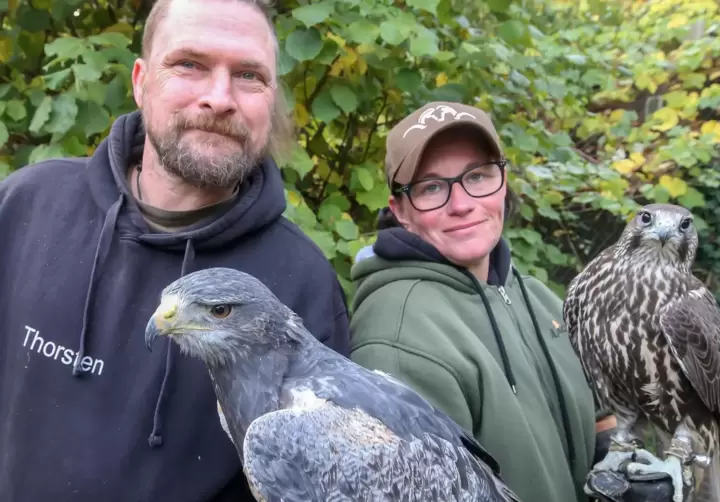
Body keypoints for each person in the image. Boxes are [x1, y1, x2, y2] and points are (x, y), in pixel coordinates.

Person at [0, 0, 349, 500]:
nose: (220, 97)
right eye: (190, 64)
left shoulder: (304, 286)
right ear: (140, 81)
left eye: (249, 75)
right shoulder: (25, 206)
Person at [348, 101, 680, 502]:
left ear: (503, 182)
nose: (461, 203)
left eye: (478, 176)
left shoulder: (536, 295)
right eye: (432, 187)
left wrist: (616, 463)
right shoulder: (399, 335)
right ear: (400, 210)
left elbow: (597, 414)